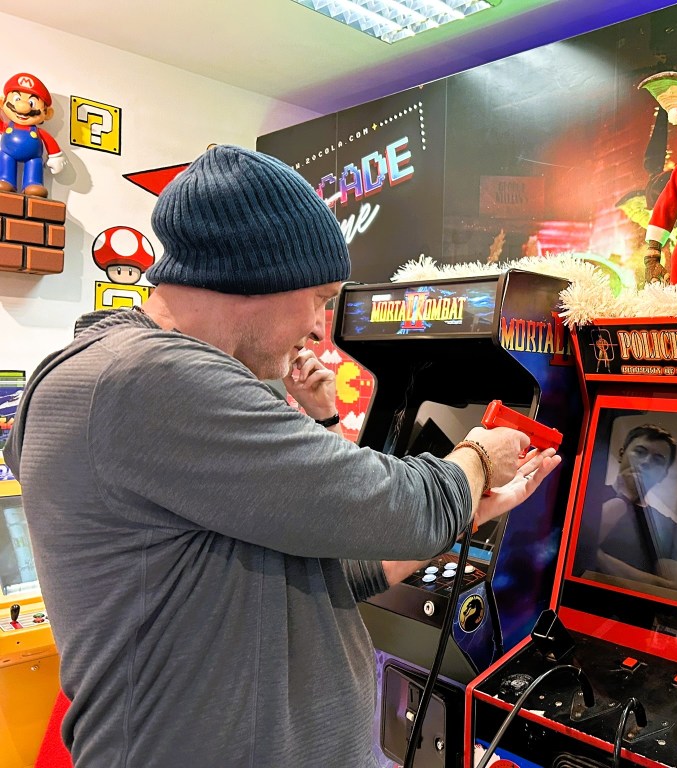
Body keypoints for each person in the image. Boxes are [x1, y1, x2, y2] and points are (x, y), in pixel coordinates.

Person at [2, 145, 559, 767]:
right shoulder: (146, 377)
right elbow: (395, 504)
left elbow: (331, 569)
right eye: (318, 297)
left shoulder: (127, 375)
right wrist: (477, 455)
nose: (320, 327)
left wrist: (466, 513)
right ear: (253, 277)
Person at [591, 424, 677, 588]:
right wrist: (624, 498)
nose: (646, 462)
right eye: (640, 452)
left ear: (663, 474)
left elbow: (674, 588)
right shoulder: (588, 497)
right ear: (621, 454)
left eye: (658, 460)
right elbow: (576, 550)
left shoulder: (668, 528)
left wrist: (599, 557)